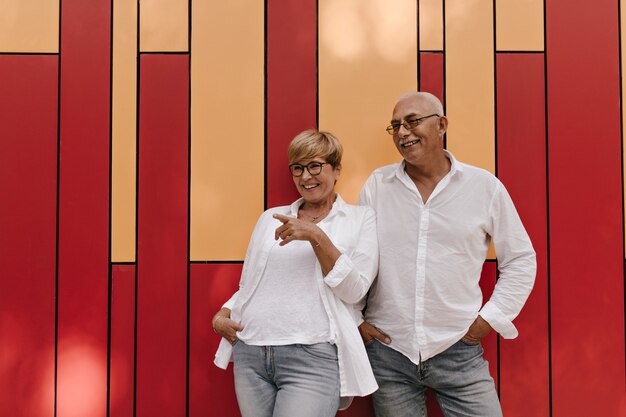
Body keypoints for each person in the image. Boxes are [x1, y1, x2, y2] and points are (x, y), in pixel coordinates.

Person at [357, 92, 536, 417]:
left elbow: (521, 258)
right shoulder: (378, 185)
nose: (402, 132)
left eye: (412, 121)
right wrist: (356, 319)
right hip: (389, 352)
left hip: (458, 348)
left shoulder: (483, 187)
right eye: (395, 125)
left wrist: (489, 320)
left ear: (441, 125)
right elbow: (358, 258)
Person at [212, 129, 379, 417]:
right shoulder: (270, 218)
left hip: (312, 356)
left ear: (337, 169)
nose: (305, 177)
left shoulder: (360, 219)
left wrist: (316, 236)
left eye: (315, 166)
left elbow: (355, 291)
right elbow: (251, 284)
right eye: (298, 168)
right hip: (252, 352)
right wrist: (224, 313)